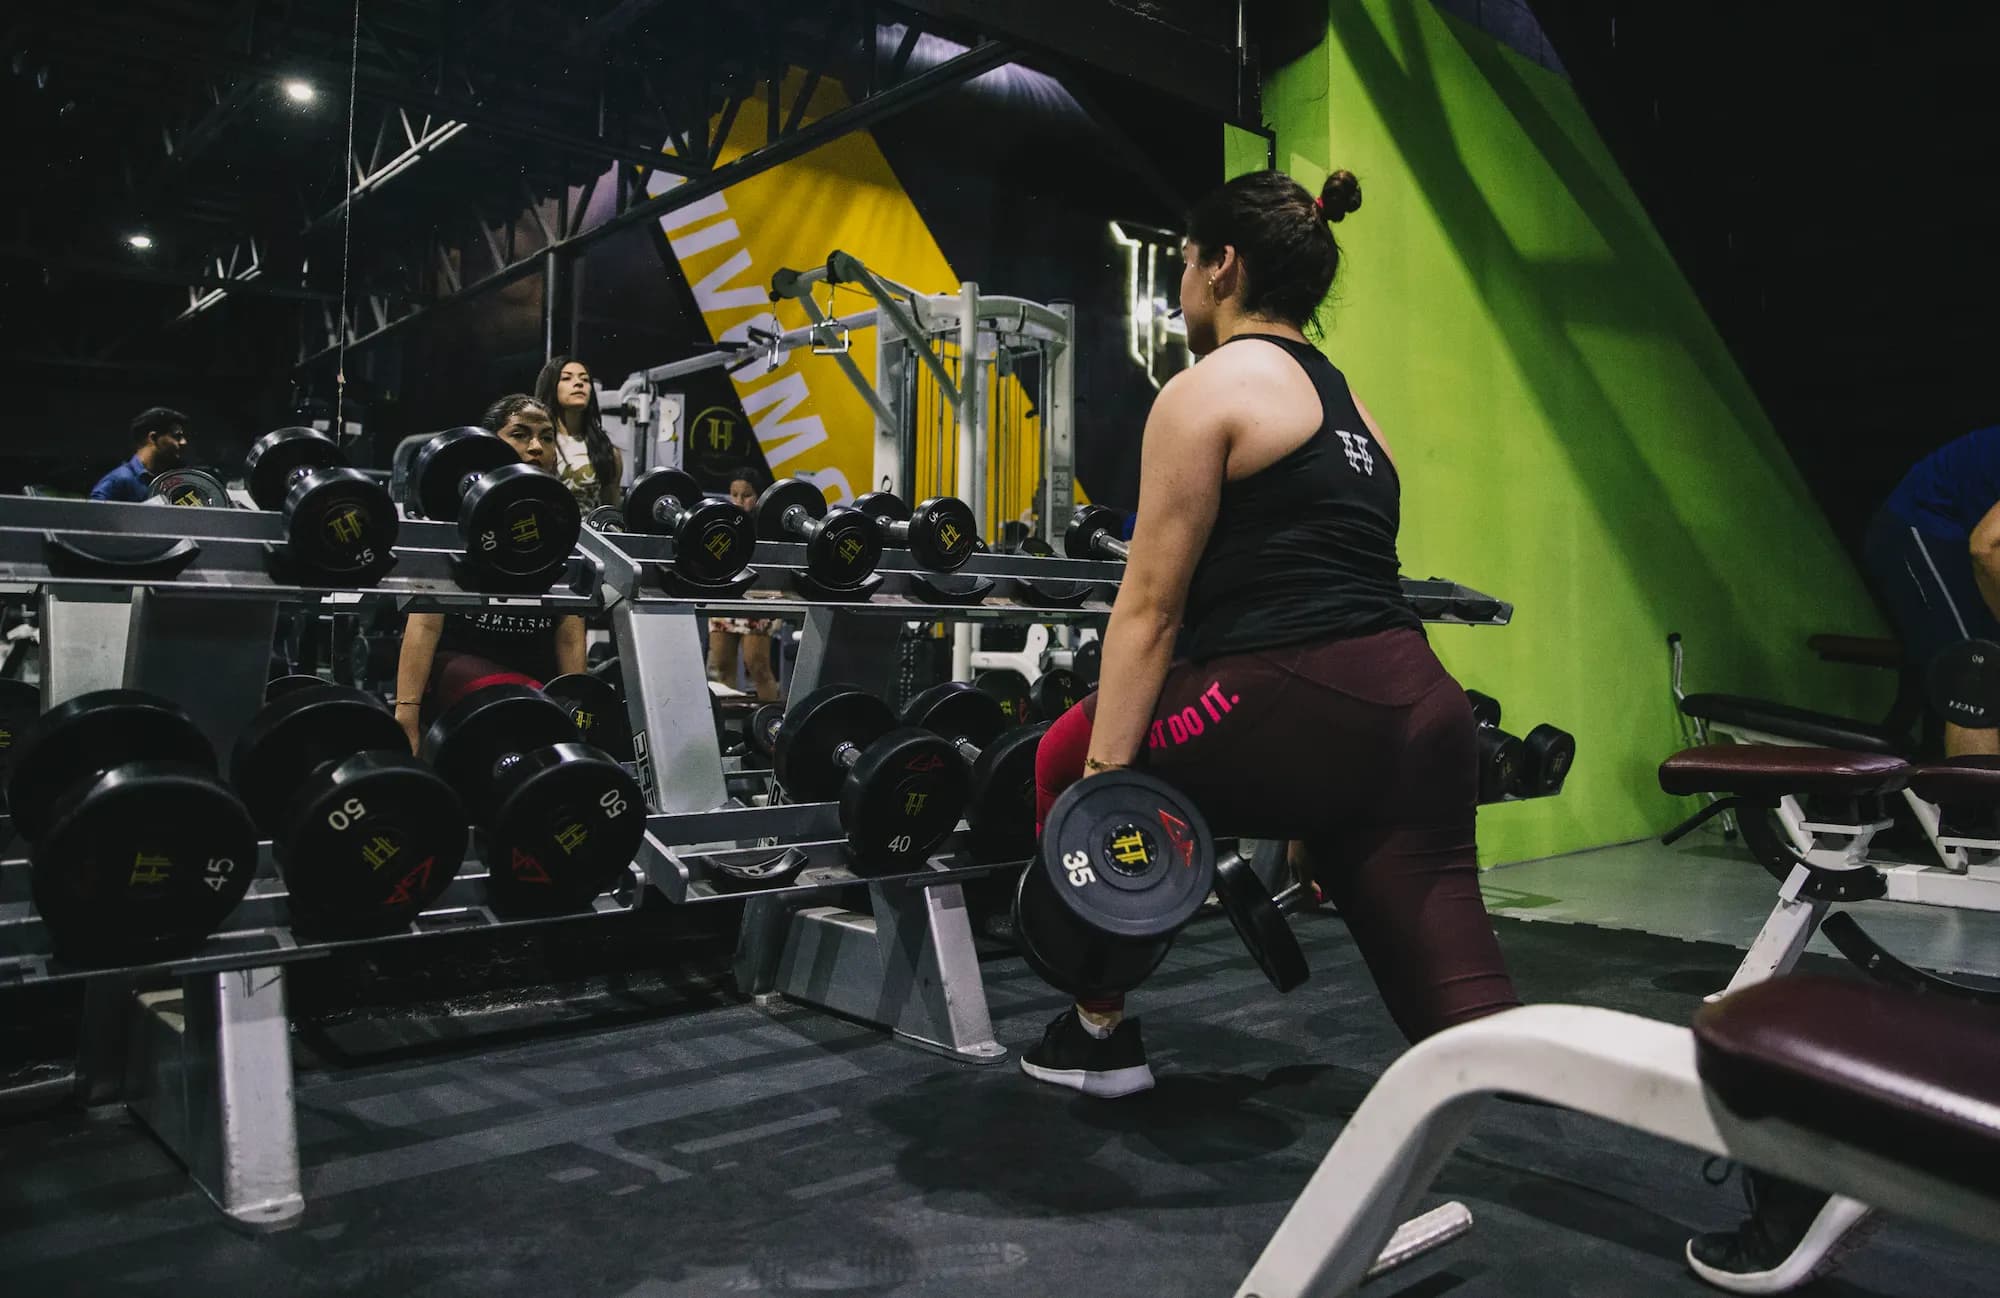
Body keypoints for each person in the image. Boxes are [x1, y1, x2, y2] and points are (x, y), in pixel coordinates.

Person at [1020, 169, 1518, 1099]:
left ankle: (1098, 1033)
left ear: (1222, 266)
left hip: (1287, 696)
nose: (1177, 291)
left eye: (1184, 266)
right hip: (1421, 712)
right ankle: (1679, 1098)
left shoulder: (1206, 390)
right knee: (1470, 1022)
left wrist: (1104, 791)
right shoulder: (1354, 408)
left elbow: (1151, 610)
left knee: (1061, 756)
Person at [392, 395, 587, 751]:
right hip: (462, 670)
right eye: (519, 434)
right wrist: (406, 714)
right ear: (491, 445)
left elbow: (569, 629)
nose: (535, 447)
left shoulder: (559, 523)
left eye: (546, 437)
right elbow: (425, 622)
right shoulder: (453, 522)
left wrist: (577, 704)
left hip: (534, 680)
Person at [1863, 426, 2000, 757]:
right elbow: (1987, 545)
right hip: (1924, 527)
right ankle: (1974, 810)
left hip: (1972, 539)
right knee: (1975, 678)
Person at [706, 468, 782, 702]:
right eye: (734, 494)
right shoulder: (721, 522)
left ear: (758, 496)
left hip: (757, 597)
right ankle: (724, 728)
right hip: (726, 594)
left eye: (746, 495)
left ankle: (771, 727)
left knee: (757, 666)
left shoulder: (768, 525)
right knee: (721, 667)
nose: (739, 501)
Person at [533, 355, 623, 511]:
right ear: (551, 386)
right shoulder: (536, 443)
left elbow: (611, 510)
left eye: (585, 380)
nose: (579, 383)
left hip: (589, 533)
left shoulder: (606, 451)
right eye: (567, 378)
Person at [90, 407, 190, 501]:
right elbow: (92, 515)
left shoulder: (169, 479)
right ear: (153, 438)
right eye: (177, 436)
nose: (183, 442)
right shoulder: (118, 481)